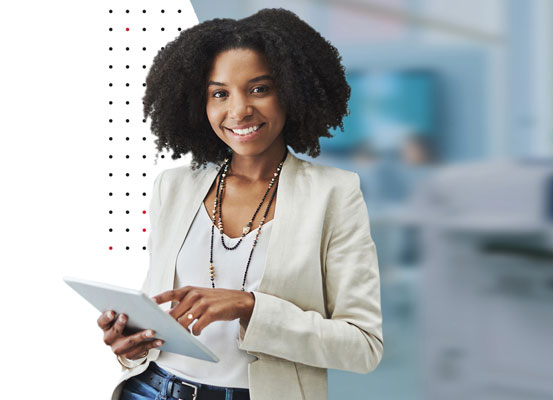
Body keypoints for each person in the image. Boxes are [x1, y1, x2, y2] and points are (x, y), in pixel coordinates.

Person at [95, 8, 383, 400]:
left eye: (259, 89)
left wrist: (250, 307)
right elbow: (159, 303)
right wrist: (133, 343)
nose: (239, 109)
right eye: (220, 93)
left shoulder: (334, 194)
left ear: (292, 91)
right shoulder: (173, 187)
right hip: (153, 389)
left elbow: (363, 346)